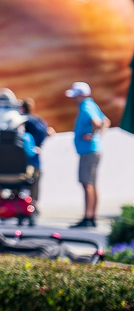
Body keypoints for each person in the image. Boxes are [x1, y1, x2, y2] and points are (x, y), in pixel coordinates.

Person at [67, 81, 108, 228]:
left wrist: (92, 135)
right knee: (91, 183)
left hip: (89, 151)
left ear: (81, 95)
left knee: (87, 184)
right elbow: (106, 121)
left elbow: (98, 122)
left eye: (75, 96)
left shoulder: (86, 106)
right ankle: (91, 216)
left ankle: (88, 217)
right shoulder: (91, 104)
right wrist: (97, 136)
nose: (73, 99)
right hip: (91, 150)